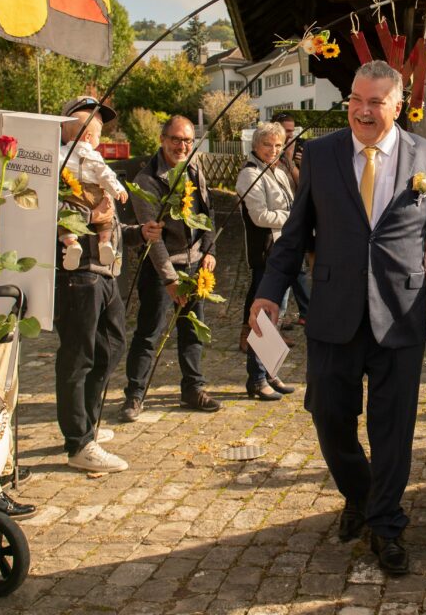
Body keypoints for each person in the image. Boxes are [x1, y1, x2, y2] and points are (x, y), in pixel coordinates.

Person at [249, 60, 426, 577]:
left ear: (398, 106)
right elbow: (293, 236)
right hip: (333, 312)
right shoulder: (322, 154)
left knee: (393, 429)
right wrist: (268, 293)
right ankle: (360, 491)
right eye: (356, 100)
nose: (363, 111)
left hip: (400, 314)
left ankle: (387, 525)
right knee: (328, 415)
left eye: (376, 102)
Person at [53, 97, 164, 473]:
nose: (94, 136)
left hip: (106, 273)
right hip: (77, 273)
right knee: (78, 356)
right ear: (68, 129)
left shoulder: (96, 168)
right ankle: (78, 442)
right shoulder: (59, 166)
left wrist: (136, 234)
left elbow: (110, 224)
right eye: (88, 129)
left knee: (112, 345)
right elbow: (55, 214)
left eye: (98, 130)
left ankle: (88, 423)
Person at [121, 115, 218, 421]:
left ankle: (193, 388)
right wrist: (170, 280)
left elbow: (208, 212)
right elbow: (154, 238)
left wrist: (209, 250)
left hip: (194, 264)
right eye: (176, 139)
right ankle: (134, 395)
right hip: (160, 269)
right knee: (149, 333)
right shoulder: (146, 181)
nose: (182, 146)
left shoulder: (194, 168)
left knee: (192, 331)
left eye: (188, 140)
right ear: (162, 140)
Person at [235, 122, 298, 400]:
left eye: (277, 145)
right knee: (263, 317)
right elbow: (260, 216)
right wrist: (292, 218)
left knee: (278, 315)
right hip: (265, 254)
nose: (273, 150)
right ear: (255, 146)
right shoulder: (249, 175)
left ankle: (270, 372)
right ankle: (257, 378)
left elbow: (291, 203)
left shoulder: (278, 171)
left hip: (283, 250)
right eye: (267, 145)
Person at [59, 107, 130, 270]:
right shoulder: (95, 156)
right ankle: (104, 242)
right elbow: (107, 175)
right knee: (105, 222)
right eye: (99, 134)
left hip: (73, 194)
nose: (100, 138)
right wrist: (118, 189)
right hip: (93, 193)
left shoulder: (60, 154)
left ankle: (71, 243)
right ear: (88, 136)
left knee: (65, 223)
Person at [271, 112, 310, 328]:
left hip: (297, 214)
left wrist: (301, 164)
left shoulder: (301, 149)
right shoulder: (272, 153)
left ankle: (303, 312)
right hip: (280, 223)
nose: (290, 135)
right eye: (286, 131)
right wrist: (284, 156)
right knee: (288, 269)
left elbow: (304, 183)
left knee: (298, 269)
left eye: (292, 131)